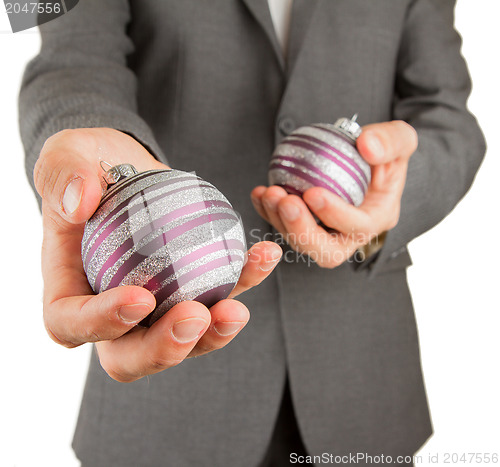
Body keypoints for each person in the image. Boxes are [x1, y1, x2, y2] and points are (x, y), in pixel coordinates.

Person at [19, 0, 485, 466]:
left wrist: (393, 195)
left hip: (363, 381)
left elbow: (449, 116)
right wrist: (95, 167)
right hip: (162, 393)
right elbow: (71, 60)